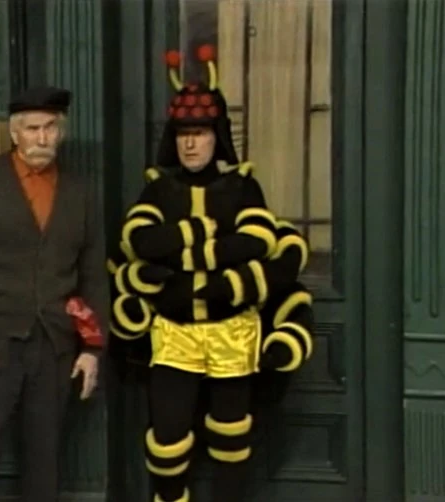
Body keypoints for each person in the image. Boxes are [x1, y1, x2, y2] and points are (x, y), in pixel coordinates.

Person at [107, 46, 314, 502]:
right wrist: (204, 233)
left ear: (216, 136)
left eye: (199, 133)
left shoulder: (243, 186)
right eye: (184, 134)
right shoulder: (158, 190)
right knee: (167, 438)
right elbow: (141, 241)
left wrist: (185, 256)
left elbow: (256, 241)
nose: (191, 144)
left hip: (232, 333)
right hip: (174, 335)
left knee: (231, 435)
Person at [0, 86, 109, 502]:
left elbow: (92, 277)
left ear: (61, 132)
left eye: (50, 128)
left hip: (54, 348)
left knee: (44, 466)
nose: (42, 138)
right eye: (32, 129)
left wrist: (92, 348)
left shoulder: (81, 191)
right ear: (15, 133)